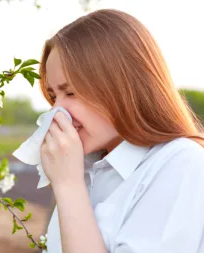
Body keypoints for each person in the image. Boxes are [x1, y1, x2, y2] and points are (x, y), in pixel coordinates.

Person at [39, 9, 204, 253]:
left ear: (122, 85)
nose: (57, 111)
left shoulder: (181, 163)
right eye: (53, 96)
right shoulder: (85, 168)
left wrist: (68, 186)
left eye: (70, 92)